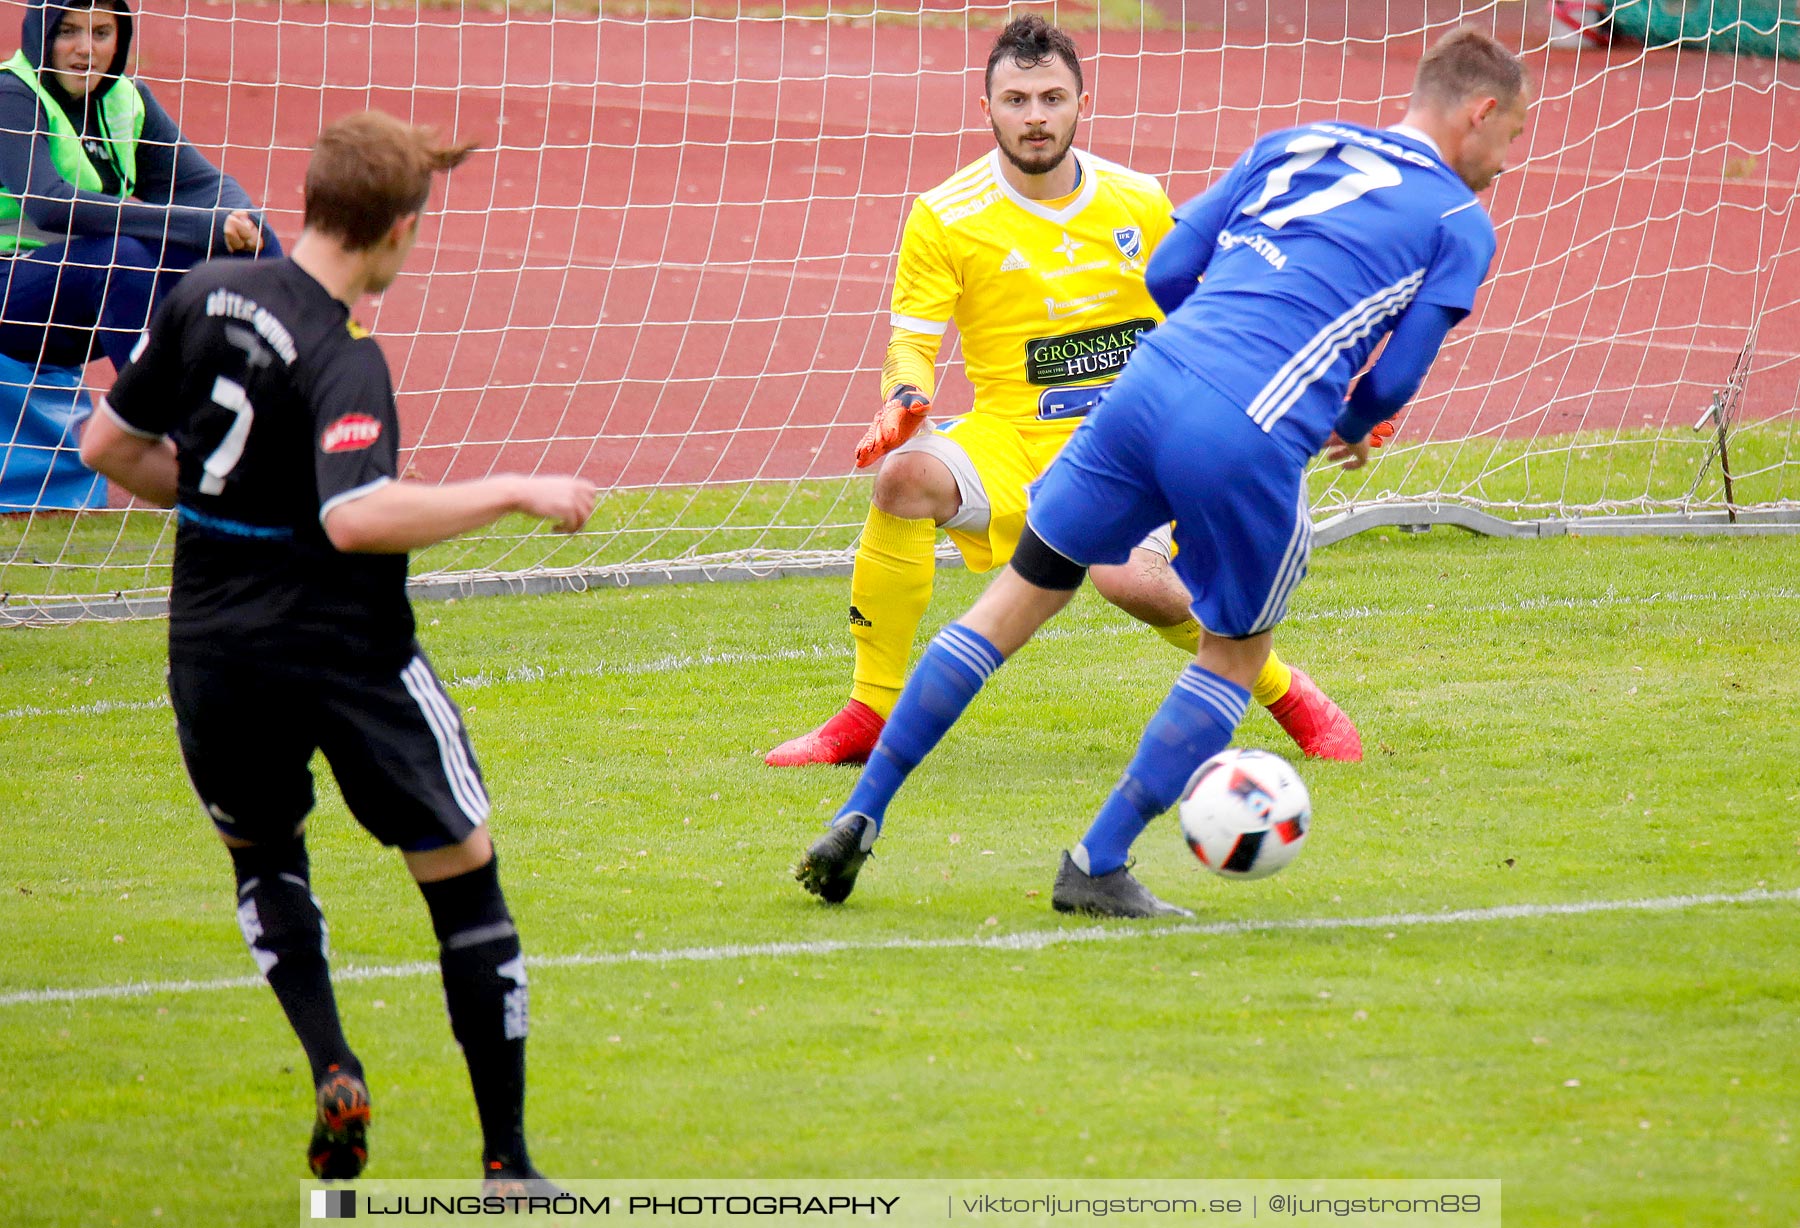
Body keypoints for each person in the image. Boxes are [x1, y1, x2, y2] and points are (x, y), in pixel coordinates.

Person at [796, 26, 1531, 917]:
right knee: (1234, 651)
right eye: (1513, 135)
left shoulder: (1295, 142)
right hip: (1239, 429)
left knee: (1011, 605)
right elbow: (1397, 380)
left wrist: (1196, 351)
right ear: (1480, 112)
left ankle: (860, 814)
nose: (1505, 159)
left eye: (1052, 97)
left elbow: (1174, 267)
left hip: (1139, 393)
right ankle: (1098, 862)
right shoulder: (1459, 220)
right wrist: (1348, 424)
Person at [80, 111, 595, 1191]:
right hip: (345, 648)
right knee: (463, 871)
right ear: (398, 229)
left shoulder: (203, 297)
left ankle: (332, 1061)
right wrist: (513, 490)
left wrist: (228, 507)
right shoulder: (343, 353)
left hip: (213, 648)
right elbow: (356, 517)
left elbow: (109, 445)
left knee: (265, 855)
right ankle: (507, 1161)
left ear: (310, 198)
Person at [763, 14, 1362, 770]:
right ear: (987, 109)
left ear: (1083, 102)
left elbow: (1214, 315)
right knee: (903, 477)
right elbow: (913, 343)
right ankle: (868, 712)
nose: (1036, 116)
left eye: (1052, 97)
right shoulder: (944, 215)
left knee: (1130, 581)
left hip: (1134, 445)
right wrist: (903, 399)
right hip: (1013, 439)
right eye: (1016, 100)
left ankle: (1286, 692)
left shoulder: (1138, 200)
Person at [0, 0, 274, 375]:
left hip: (83, 293)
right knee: (122, 257)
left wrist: (238, 218)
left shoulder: (126, 100)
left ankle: (274, 399)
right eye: (68, 31)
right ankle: (155, 423)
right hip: (14, 294)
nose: (86, 49)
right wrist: (196, 226)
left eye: (101, 33)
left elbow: (205, 185)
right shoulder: (11, 95)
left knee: (251, 242)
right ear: (41, 33)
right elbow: (50, 205)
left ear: (120, 39)